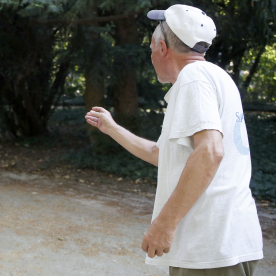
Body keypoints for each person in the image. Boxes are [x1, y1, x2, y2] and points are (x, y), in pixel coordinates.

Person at [85, 4, 263, 276]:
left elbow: (210, 152)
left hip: (208, 249)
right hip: (226, 243)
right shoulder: (216, 77)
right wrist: (112, 128)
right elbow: (161, 153)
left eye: (151, 48)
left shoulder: (193, 78)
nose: (151, 54)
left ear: (162, 48)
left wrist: (164, 224)